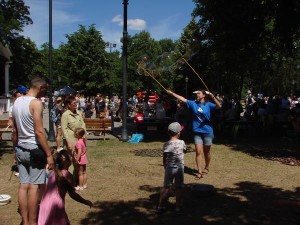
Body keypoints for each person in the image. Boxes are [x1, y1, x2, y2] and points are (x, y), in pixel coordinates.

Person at [12, 75, 54, 225]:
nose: (45, 93)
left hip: (20, 148)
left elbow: (15, 131)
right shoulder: (35, 103)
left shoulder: (17, 101)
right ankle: (32, 222)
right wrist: (49, 154)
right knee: (34, 187)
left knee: (24, 186)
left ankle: (24, 220)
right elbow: (39, 132)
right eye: (45, 90)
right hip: (34, 149)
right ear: (41, 87)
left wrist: (14, 149)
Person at [166, 89, 221, 179]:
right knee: (199, 152)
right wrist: (172, 93)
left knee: (207, 152)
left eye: (198, 94)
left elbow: (219, 106)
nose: (197, 95)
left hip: (208, 131)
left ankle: (207, 167)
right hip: (197, 132)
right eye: (196, 94)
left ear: (203, 95)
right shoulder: (193, 103)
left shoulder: (209, 105)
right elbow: (182, 99)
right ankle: (199, 172)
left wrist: (212, 96)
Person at [38, 150, 93, 225]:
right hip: (55, 205)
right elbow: (72, 194)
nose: (72, 157)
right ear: (66, 162)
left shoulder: (52, 173)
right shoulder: (68, 175)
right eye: (70, 156)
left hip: (44, 203)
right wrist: (85, 201)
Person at [157, 122, 186, 215]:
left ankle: (160, 206)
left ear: (168, 133)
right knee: (179, 187)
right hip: (179, 168)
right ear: (178, 133)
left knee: (166, 187)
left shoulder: (166, 144)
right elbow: (185, 150)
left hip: (169, 167)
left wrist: (165, 166)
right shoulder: (182, 143)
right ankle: (177, 207)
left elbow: (164, 157)